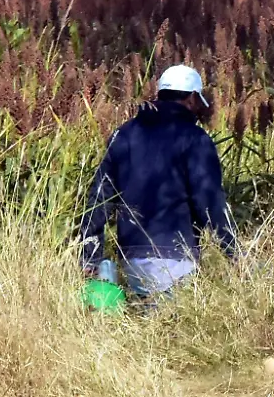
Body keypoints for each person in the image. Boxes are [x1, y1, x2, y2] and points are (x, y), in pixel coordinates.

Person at [80, 65, 237, 305]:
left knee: (148, 331)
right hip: (176, 263)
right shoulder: (194, 139)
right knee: (174, 335)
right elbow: (210, 203)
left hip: (132, 262)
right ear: (192, 98)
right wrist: (234, 254)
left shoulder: (123, 134)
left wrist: (90, 257)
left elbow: (99, 199)